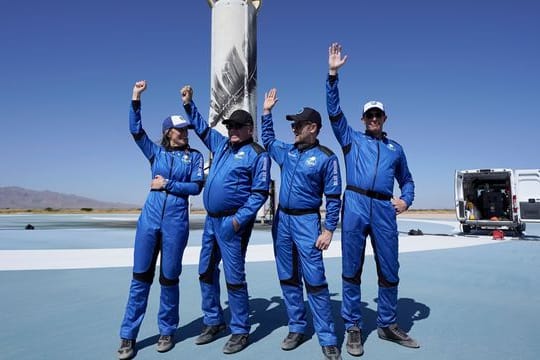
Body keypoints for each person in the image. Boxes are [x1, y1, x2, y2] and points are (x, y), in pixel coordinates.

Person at [326, 43, 418, 356]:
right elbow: (334, 112)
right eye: (369, 115)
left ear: (384, 117)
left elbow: (407, 180)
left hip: (383, 208)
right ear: (363, 118)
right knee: (351, 268)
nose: (373, 118)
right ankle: (353, 326)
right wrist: (333, 75)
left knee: (389, 267)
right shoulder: (351, 138)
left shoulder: (396, 149)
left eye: (378, 114)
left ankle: (388, 323)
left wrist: (405, 200)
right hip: (354, 205)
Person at [118, 80, 205, 360]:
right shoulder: (155, 152)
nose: (184, 134)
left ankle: (167, 330)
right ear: (168, 132)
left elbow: (195, 188)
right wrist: (135, 98)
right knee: (140, 278)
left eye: (186, 130)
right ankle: (128, 337)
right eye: (180, 130)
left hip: (176, 224)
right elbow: (135, 130)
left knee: (169, 279)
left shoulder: (195, 157)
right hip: (149, 222)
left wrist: (167, 184)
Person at [181, 85, 270, 354]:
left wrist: (238, 221)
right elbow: (201, 128)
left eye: (238, 126)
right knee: (205, 271)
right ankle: (212, 321)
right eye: (230, 126)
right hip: (211, 221)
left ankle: (241, 330)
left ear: (250, 129)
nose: (232, 130)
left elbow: (259, 193)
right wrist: (188, 105)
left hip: (232, 224)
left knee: (234, 277)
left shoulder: (257, 154)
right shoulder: (221, 145)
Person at [261, 88, 343, 360]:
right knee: (288, 276)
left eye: (297, 124)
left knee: (316, 280)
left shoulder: (326, 157)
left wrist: (329, 229)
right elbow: (269, 139)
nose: (294, 129)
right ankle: (296, 326)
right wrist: (266, 113)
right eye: (293, 124)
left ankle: (327, 337)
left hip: (308, 221)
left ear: (313, 127)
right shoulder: (287, 152)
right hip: (282, 220)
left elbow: (333, 197)